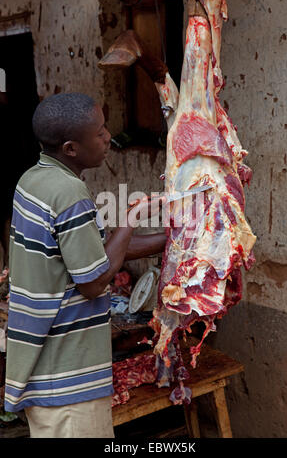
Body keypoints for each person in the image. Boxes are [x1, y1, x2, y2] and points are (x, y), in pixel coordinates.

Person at [4, 92, 166, 438]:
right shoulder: (68, 193)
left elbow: (103, 249)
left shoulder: (34, 180)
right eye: (99, 132)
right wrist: (132, 218)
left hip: (45, 371)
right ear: (71, 148)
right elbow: (92, 282)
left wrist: (177, 238)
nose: (108, 137)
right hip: (67, 381)